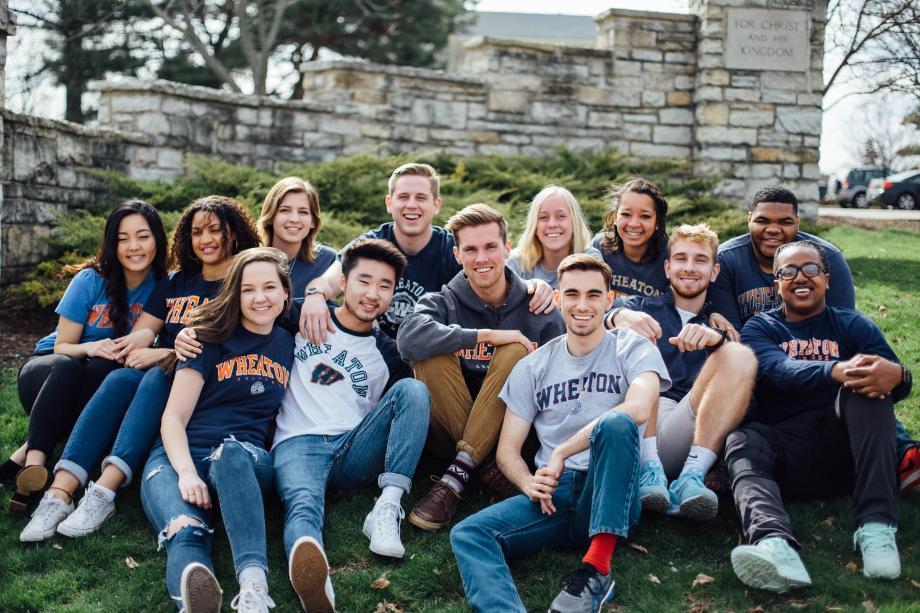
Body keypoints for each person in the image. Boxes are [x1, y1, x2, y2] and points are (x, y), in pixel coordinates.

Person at [17, 196, 261, 541]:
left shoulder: (242, 282)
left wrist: (162, 356)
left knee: (152, 380)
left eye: (215, 231)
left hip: (205, 382)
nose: (206, 240)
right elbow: (146, 329)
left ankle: (104, 490)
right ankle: (59, 492)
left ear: (233, 234)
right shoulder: (178, 281)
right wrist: (138, 344)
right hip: (166, 368)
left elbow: (230, 348)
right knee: (119, 377)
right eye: (196, 232)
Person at [450, 253, 670, 613]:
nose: (582, 305)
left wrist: (562, 451)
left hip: (609, 487)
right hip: (555, 494)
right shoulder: (533, 365)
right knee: (469, 534)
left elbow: (639, 409)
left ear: (609, 299)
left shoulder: (631, 347)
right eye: (572, 294)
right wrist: (527, 483)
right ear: (557, 298)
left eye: (593, 295)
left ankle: (597, 568)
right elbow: (508, 449)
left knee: (616, 424)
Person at [726, 240, 910, 592]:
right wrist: (834, 370)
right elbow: (778, 368)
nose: (801, 277)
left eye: (810, 269)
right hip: (784, 457)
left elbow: (891, 376)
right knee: (739, 440)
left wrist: (900, 376)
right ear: (775, 283)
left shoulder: (853, 325)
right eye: (789, 271)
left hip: (843, 451)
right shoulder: (759, 329)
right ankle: (774, 544)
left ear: (826, 279)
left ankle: (876, 528)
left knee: (867, 389)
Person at [709, 185, 919, 492]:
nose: (773, 230)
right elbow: (731, 334)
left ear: (798, 223)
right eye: (763, 221)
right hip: (756, 359)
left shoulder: (827, 258)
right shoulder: (728, 260)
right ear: (749, 220)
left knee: (861, 377)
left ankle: (902, 455)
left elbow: (842, 332)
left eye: (785, 222)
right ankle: (720, 459)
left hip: (822, 366)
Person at [272, 239, 430, 612]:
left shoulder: (389, 353)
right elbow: (243, 312)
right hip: (299, 441)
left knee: (414, 390)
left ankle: (386, 508)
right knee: (303, 504)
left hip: (354, 449)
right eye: (364, 281)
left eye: (385, 286)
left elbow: (405, 411)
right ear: (342, 281)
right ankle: (315, 580)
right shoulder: (303, 315)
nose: (373, 294)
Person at [141, 247, 295, 612]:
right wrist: (186, 473)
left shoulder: (291, 342)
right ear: (234, 294)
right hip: (180, 455)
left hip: (246, 457)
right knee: (186, 531)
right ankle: (194, 604)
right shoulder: (205, 339)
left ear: (286, 293)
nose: (260, 298)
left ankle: (254, 586)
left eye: (270, 287)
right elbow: (173, 419)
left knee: (232, 454)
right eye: (247, 289)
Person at [397, 203, 565, 531]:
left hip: (513, 437)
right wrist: (486, 335)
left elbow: (562, 376)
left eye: (490, 247)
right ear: (458, 255)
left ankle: (457, 476)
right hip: (447, 433)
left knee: (516, 350)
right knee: (430, 352)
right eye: (471, 250)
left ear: (506, 248)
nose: (482, 258)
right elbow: (407, 340)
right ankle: (482, 467)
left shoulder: (538, 307)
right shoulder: (442, 301)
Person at [2, 200, 168, 514]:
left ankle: (23, 460)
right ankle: (35, 460)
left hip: (96, 379)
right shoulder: (91, 280)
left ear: (157, 240)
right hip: (49, 373)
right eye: (122, 238)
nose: (134, 246)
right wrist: (90, 347)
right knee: (72, 365)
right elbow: (62, 345)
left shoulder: (164, 286)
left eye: (143, 236)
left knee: (107, 367)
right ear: (112, 243)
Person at [298, 162, 554, 344]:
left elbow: (490, 274)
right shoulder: (373, 243)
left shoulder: (448, 249)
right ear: (390, 203)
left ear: (436, 204)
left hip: (434, 354)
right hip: (376, 352)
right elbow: (330, 280)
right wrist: (314, 295)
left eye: (421, 197)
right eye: (403, 197)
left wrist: (532, 285)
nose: (411, 205)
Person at [613, 224, 757, 520]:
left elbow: (742, 385)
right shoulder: (640, 307)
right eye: (681, 259)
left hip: (694, 426)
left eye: (700, 260)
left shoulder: (723, 323)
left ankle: (691, 477)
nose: (689, 268)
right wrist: (617, 316)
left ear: (714, 271)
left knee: (740, 355)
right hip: (640, 422)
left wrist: (718, 341)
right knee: (640, 347)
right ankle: (648, 471)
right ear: (667, 268)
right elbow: (590, 319)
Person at [256, 176, 336, 305]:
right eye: (285, 210)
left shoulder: (327, 260)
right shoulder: (246, 259)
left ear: (313, 221)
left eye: (303, 212)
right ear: (270, 217)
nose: (294, 219)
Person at [589, 178, 670, 300]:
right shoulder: (600, 247)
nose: (634, 223)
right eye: (626, 214)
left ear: (657, 222)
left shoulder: (671, 256)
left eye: (645, 216)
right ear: (615, 217)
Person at [508, 185, 600, 289]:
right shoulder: (516, 264)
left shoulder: (590, 260)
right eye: (543, 217)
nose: (552, 224)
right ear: (534, 226)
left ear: (574, 223)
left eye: (561, 216)